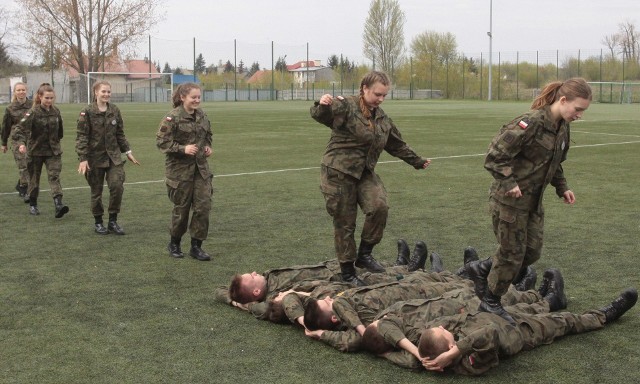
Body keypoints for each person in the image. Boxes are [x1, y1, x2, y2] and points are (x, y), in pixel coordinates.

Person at [466, 78, 593, 323]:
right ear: (563, 100)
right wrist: (509, 182)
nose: (579, 115)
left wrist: (562, 188)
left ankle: (481, 269)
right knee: (512, 254)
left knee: (532, 252)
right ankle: (490, 302)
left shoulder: (562, 126)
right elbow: (494, 157)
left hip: (533, 203)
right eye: (578, 109)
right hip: (508, 202)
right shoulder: (531, 123)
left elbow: (554, 164)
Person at [310, 70, 431, 286]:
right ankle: (348, 272)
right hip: (338, 173)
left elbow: (396, 144)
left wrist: (417, 161)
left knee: (379, 206)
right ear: (365, 89)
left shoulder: (382, 118)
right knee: (345, 223)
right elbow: (321, 115)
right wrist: (323, 103)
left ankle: (364, 255)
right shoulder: (346, 105)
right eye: (377, 94)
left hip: (364, 173)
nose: (381, 99)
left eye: (384, 95)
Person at [366, 287, 636, 374]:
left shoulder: (427, 346)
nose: (442, 327)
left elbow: (388, 323)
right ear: (449, 349)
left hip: (496, 315)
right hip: (520, 332)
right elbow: (488, 336)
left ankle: (549, 297)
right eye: (445, 334)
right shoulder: (468, 362)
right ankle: (605, 315)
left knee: (541, 307)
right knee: (566, 321)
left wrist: (399, 351)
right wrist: (454, 353)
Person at [156, 82, 213, 261]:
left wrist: (208, 147)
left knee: (203, 207)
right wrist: (183, 149)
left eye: (199, 97)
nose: (197, 100)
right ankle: (175, 243)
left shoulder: (202, 116)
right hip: (180, 172)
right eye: (193, 97)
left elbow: (208, 135)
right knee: (182, 209)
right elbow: (162, 142)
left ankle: (196, 246)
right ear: (182, 97)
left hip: (201, 170)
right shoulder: (172, 118)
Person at [76, 81, 140, 235]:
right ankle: (98, 222)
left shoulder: (114, 110)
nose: (106, 94)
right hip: (94, 158)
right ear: (96, 93)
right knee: (96, 191)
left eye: (108, 92)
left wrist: (128, 152)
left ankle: (113, 221)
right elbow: (82, 137)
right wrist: (83, 158)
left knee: (117, 186)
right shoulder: (87, 112)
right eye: (103, 91)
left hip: (114, 157)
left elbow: (119, 133)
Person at [12, 83, 69, 217]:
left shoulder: (56, 111)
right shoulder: (32, 112)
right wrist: (21, 144)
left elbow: (60, 132)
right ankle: (33, 204)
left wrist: (55, 141)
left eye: (51, 98)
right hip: (35, 152)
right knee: (34, 179)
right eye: (46, 98)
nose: (49, 101)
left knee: (54, 177)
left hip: (53, 152)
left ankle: (58, 204)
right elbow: (18, 130)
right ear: (40, 97)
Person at [1, 82, 33, 203]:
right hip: (17, 139)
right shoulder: (10, 108)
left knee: (32, 164)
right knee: (23, 164)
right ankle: (27, 190)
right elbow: (5, 127)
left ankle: (21, 184)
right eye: (18, 90)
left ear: (27, 91)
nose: (21, 92)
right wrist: (4, 143)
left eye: (23, 90)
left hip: (31, 139)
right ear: (15, 92)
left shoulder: (33, 105)